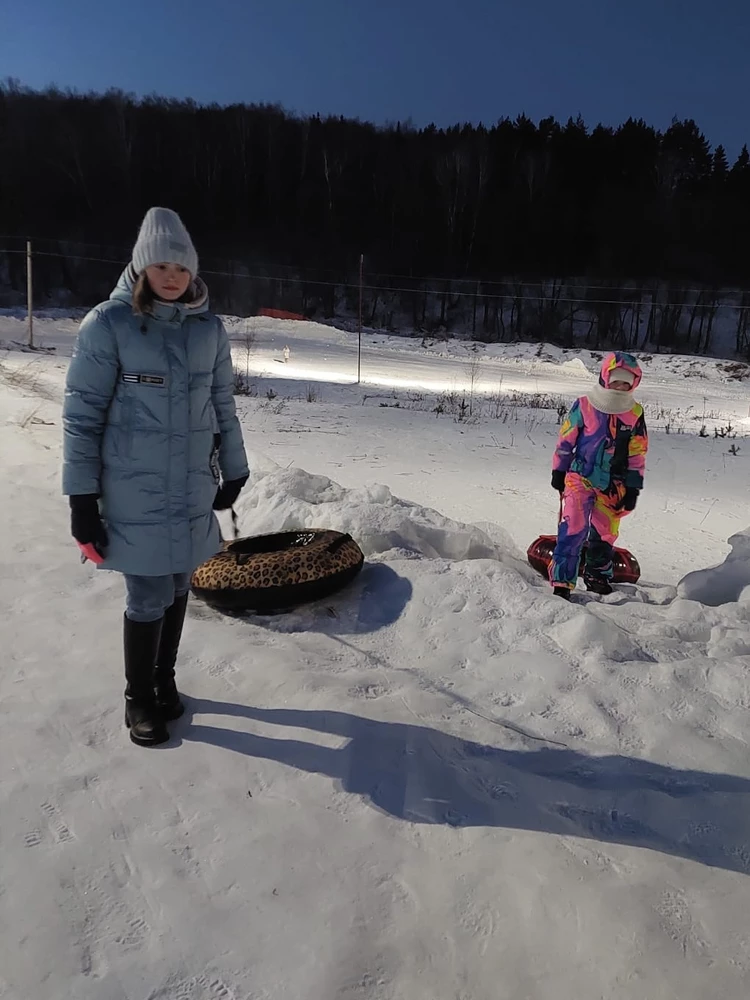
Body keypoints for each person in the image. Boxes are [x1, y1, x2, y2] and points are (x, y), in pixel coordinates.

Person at [62, 207, 249, 746]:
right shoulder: (109, 325)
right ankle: (138, 699)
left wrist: (234, 468)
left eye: (182, 268)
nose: (173, 277)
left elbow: (222, 403)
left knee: (179, 582)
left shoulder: (208, 330)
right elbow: (82, 415)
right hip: (132, 489)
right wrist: (81, 498)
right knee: (147, 594)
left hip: (188, 483)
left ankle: (165, 685)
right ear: (142, 267)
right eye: (162, 265)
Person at [549, 351, 648, 599]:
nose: (621, 385)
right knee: (573, 528)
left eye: (627, 381)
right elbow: (566, 439)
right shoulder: (585, 405)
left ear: (634, 383)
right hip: (580, 477)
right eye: (616, 379)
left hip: (614, 485)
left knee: (605, 533)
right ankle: (562, 580)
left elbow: (637, 452)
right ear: (605, 376)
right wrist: (559, 469)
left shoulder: (634, 412)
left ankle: (597, 574)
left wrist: (633, 486)